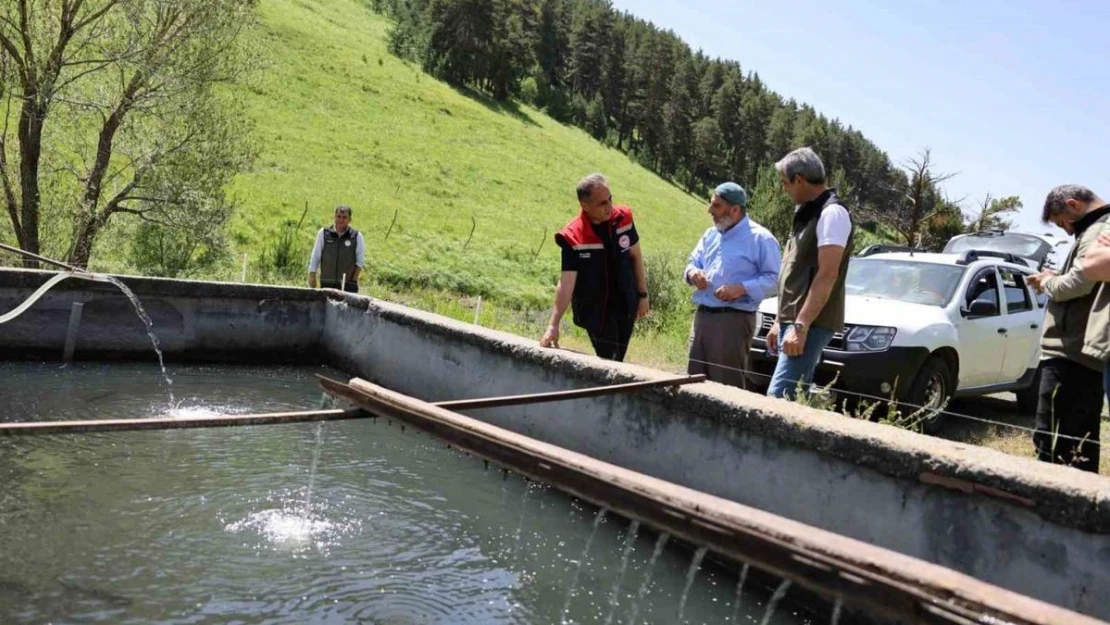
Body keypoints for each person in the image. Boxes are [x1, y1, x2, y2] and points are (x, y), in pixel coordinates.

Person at [1026, 185, 1110, 473]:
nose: (1065, 231)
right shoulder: (1097, 228)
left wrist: (1046, 283)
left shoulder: (1100, 228)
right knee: (1078, 444)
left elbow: (1080, 281)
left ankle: (1048, 508)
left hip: (1071, 351)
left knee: (1054, 439)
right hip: (1081, 351)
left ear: (1073, 205)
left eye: (1062, 223)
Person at [764, 147, 854, 400]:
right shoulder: (807, 211)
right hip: (796, 320)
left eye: (785, 183)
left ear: (800, 179)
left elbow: (827, 274)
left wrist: (800, 327)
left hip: (811, 322)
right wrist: (781, 321)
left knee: (780, 396)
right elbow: (795, 270)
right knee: (795, 396)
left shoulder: (832, 213)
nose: (784, 189)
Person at [539, 173, 649, 361]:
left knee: (617, 360)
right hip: (596, 311)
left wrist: (643, 295)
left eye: (610, 199)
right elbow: (566, 283)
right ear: (585, 205)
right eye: (602, 203)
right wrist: (553, 325)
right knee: (610, 361)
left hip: (626, 304)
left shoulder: (624, 219)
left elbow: (636, 257)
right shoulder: (572, 236)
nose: (609, 206)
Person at [684, 182, 781, 389]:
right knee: (692, 382)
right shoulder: (711, 235)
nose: (710, 211)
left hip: (733, 321)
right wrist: (693, 273)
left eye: (716, 206)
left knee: (725, 387)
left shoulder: (761, 239)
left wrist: (741, 288)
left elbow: (775, 280)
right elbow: (692, 263)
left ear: (735, 209)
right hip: (702, 317)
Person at [307, 205, 366, 293]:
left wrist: (353, 281)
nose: (341, 220)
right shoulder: (323, 233)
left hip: (347, 285)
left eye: (344, 217)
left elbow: (360, 261)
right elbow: (316, 255)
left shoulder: (356, 236)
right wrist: (312, 274)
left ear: (350, 219)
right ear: (334, 217)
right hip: (327, 282)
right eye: (338, 216)